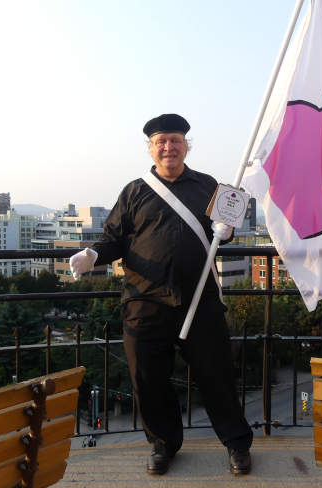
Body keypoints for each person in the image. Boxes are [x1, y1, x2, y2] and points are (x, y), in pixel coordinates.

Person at [69, 113, 253, 476]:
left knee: (216, 375)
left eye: (175, 140)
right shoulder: (135, 191)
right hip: (145, 300)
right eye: (161, 142)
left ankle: (236, 444)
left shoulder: (208, 186)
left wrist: (227, 230)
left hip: (200, 299)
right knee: (148, 379)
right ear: (151, 148)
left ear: (186, 145)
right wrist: (92, 255)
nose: (168, 147)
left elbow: (223, 233)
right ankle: (163, 444)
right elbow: (114, 240)